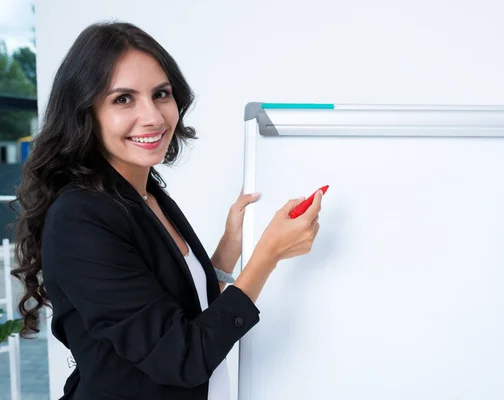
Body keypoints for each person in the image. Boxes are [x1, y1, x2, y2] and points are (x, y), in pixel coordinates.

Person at [10, 21, 323, 400]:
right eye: (123, 99)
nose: (154, 117)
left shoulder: (146, 194)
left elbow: (182, 310)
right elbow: (182, 357)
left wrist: (230, 245)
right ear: (85, 113)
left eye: (161, 94)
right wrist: (267, 256)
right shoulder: (81, 217)